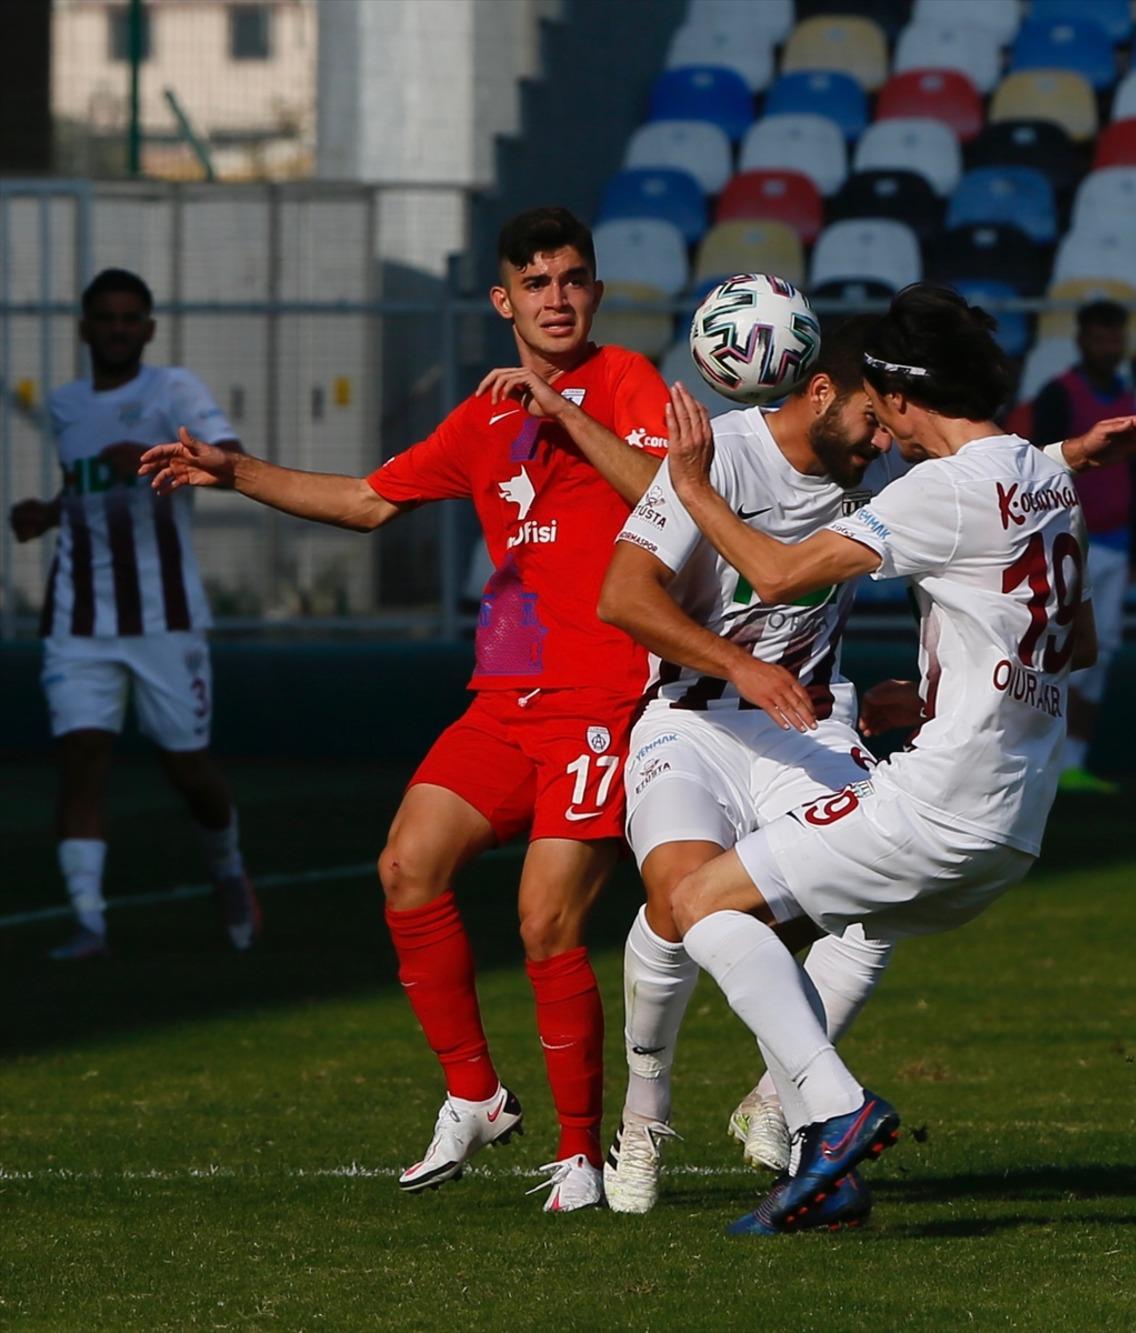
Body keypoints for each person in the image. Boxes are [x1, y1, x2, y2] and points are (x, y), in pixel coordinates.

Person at [138, 207, 671, 1212]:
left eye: (573, 279)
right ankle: (475, 1093)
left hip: (602, 693)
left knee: (545, 921)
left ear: (596, 291)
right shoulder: (480, 418)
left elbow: (667, 495)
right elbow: (369, 501)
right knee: (405, 866)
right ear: (502, 300)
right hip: (504, 691)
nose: (557, 298)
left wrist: (565, 414)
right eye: (537, 282)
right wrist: (237, 472)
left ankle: (581, 1157)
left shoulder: (627, 381)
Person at [659, 285, 1136, 1235]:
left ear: (898, 395)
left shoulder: (940, 490)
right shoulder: (1049, 477)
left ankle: (831, 1112)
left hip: (938, 805)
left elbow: (774, 573)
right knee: (789, 920)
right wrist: (940, 687)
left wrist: (692, 484)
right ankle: (821, 1164)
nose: (880, 431)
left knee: (697, 904)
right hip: (1015, 830)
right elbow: (1076, 643)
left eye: (880, 406)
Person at [596, 320, 899, 1220]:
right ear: (820, 393)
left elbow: (978, 481)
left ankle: (786, 1099)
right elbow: (622, 595)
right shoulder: (714, 453)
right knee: (681, 900)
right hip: (691, 722)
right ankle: (644, 1117)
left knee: (882, 893)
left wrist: (1071, 455)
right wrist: (740, 665)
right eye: (873, 421)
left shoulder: (873, 471)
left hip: (807, 720)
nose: (884, 443)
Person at [9, 268, 260, 961]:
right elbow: (85, 491)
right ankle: (88, 921)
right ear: (85, 328)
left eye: (129, 319)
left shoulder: (172, 391)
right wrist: (46, 514)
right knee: (82, 756)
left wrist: (165, 456)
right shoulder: (65, 405)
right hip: (78, 615)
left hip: (163, 616)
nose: (118, 330)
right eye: (106, 318)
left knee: (188, 770)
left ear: (147, 329)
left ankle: (228, 867)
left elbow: (235, 463)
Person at [1031, 300, 1136, 795]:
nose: (1109, 346)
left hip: (1116, 543)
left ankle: (1075, 760)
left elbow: (1135, 475)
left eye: (1115, 337)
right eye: (1100, 337)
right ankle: (1047, 757)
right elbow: (1040, 469)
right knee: (1060, 651)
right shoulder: (1058, 395)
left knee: (1101, 655)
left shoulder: (1126, 394)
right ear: (1082, 341)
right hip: (1070, 544)